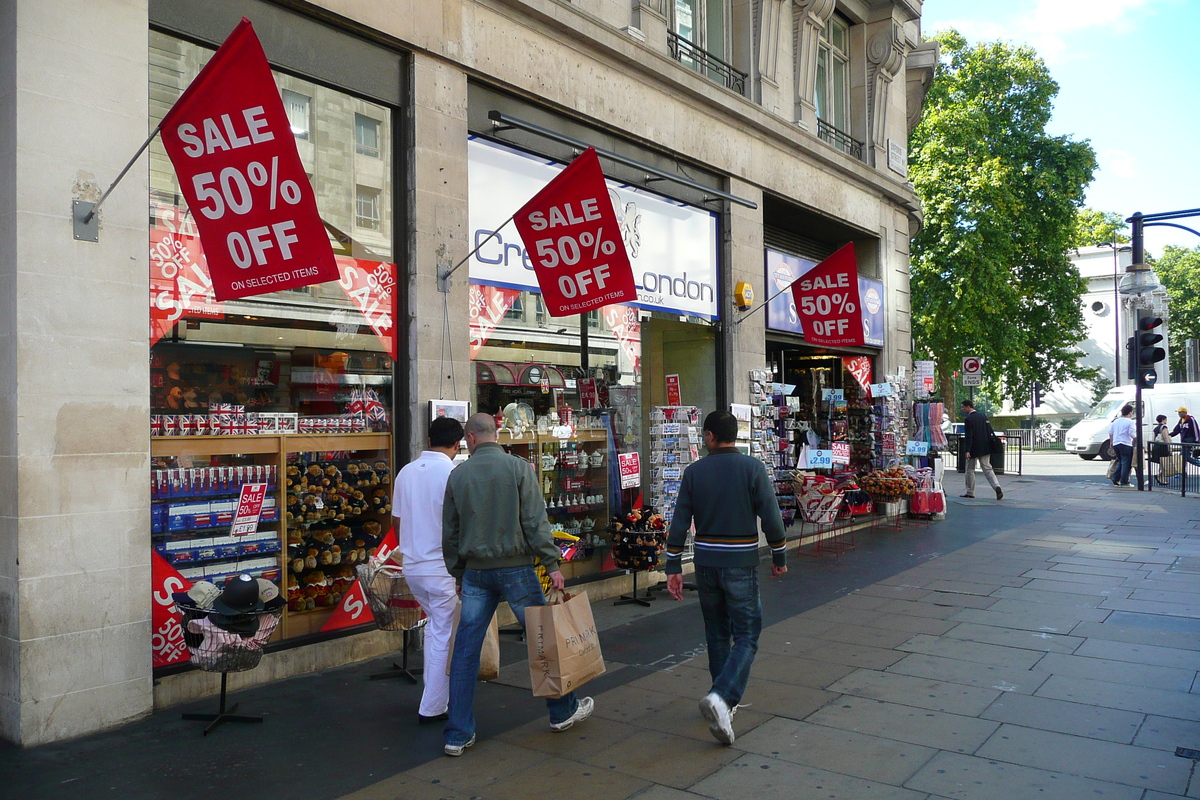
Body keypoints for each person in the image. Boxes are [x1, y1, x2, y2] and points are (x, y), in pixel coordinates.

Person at [441, 413, 593, 757]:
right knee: (544, 641)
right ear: (496, 435)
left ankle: (457, 733)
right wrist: (551, 563)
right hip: (517, 569)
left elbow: (450, 533)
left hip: (477, 572)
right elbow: (535, 521)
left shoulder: (458, 475)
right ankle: (561, 711)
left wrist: (459, 573)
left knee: (466, 652)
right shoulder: (519, 468)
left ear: (471, 438)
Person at [664, 410, 787, 746]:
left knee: (717, 633)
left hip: (705, 563)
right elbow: (771, 518)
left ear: (709, 437)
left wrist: (673, 566)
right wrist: (779, 554)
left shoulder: (694, 472)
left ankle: (722, 704)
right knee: (747, 633)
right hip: (740, 562)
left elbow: (679, 523)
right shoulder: (752, 468)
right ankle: (722, 697)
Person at [391, 416, 464, 724]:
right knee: (442, 633)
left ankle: (435, 698)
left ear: (429, 439)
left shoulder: (406, 472)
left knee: (435, 629)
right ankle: (433, 705)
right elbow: (461, 524)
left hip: (413, 565)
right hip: (441, 567)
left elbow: (396, 522)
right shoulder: (452, 473)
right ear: (458, 444)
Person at [960, 399, 1002, 500]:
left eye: (963, 407)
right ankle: (996, 486)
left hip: (973, 448)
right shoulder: (983, 416)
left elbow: (969, 436)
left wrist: (967, 450)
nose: (962, 409)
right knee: (987, 469)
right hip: (985, 447)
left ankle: (970, 491)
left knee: (970, 470)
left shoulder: (969, 419)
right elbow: (989, 431)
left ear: (968, 407)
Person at [1108, 404, 1135, 487]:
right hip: (1126, 443)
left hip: (1116, 443)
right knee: (1126, 463)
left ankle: (1115, 477)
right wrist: (1137, 439)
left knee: (1121, 461)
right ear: (1130, 413)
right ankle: (1124, 481)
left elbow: (1110, 432)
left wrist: (1111, 442)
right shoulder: (1130, 422)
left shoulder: (1116, 421)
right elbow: (1132, 434)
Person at [1152, 414, 1172, 486]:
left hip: (1157, 446)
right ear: (1163, 420)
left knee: (1161, 463)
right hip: (1163, 446)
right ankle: (1161, 477)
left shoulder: (1156, 428)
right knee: (1164, 463)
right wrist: (1169, 447)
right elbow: (1165, 437)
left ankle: (1160, 477)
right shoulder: (1164, 427)